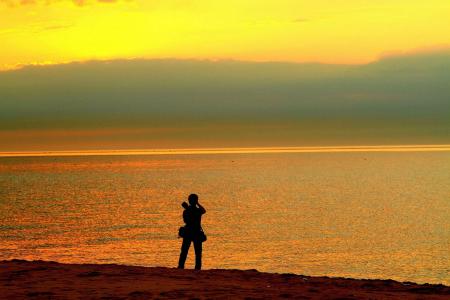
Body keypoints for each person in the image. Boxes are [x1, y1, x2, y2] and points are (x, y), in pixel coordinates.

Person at [177, 194, 206, 270]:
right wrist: (197, 204)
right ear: (196, 201)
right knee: (198, 253)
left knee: (184, 251)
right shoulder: (198, 211)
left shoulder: (186, 211)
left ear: (189, 201)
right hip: (196, 232)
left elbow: (185, 221)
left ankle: (181, 266)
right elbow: (203, 210)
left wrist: (188, 209)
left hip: (188, 232)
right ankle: (197, 268)